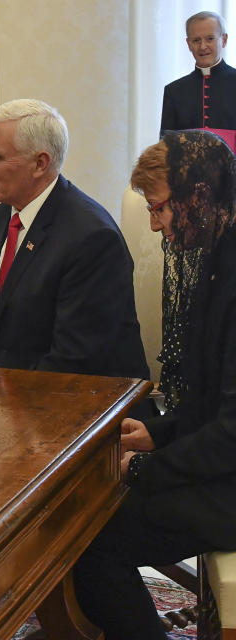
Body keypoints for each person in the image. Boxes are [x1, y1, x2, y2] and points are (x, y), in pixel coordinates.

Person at [73, 130, 236, 639]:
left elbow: (232, 429)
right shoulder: (218, 255)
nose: (155, 224)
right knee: (94, 519)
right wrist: (159, 436)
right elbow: (211, 402)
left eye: (160, 208)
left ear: (198, 196)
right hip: (223, 462)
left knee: (94, 546)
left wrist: (149, 466)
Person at [0, 99, 150, 382]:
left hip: (84, 403)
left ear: (40, 163)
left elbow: (74, 360)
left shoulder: (92, 238)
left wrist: (2, 407)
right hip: (13, 399)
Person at [161, 11, 236, 136]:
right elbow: (165, 148)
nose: (202, 46)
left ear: (224, 40)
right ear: (189, 44)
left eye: (210, 39)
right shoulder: (174, 91)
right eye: (196, 40)